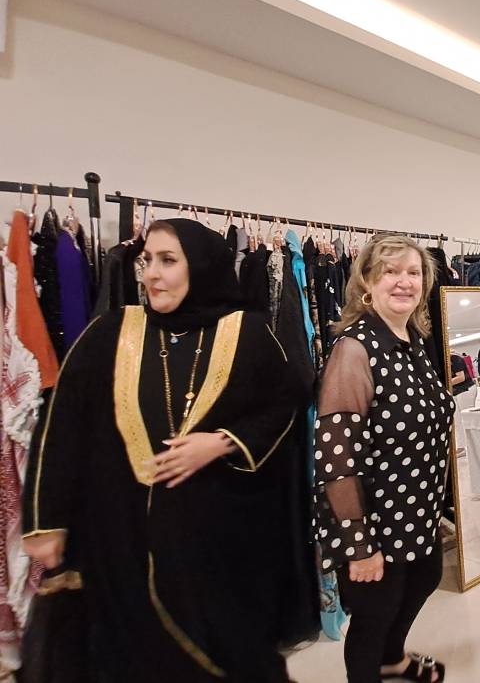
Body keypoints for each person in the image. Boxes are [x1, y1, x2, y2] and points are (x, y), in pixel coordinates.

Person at [21, 219, 306, 682]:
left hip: (218, 543)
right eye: (147, 260)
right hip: (119, 539)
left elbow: (283, 406)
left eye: (168, 260)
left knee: (228, 653)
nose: (152, 273)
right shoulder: (109, 333)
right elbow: (62, 426)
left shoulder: (248, 334)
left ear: (202, 266)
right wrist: (45, 520)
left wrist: (221, 442)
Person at [313, 234, 455, 683]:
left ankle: (392, 661)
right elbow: (335, 457)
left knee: (424, 579)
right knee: (373, 618)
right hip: (375, 520)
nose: (404, 281)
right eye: (390, 272)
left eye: (413, 272)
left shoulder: (412, 337)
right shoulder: (354, 349)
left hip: (417, 512)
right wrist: (360, 546)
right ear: (367, 282)